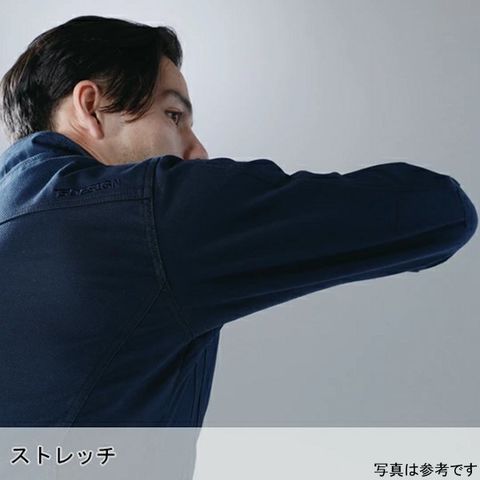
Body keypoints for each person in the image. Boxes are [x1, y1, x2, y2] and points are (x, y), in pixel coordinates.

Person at [0, 15, 477, 429]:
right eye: (174, 115)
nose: (197, 151)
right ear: (91, 107)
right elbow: (439, 212)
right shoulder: (151, 210)